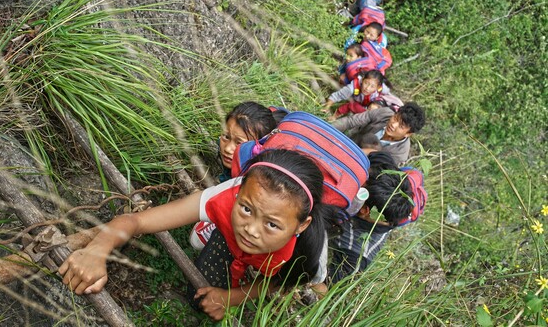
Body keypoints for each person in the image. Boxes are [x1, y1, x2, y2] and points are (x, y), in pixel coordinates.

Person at [58, 149, 337, 321]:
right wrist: (97, 249)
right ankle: (223, 237)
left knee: (311, 281)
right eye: (247, 209)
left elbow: (279, 283)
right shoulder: (223, 198)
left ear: (301, 226)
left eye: (272, 224)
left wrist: (233, 297)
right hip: (231, 237)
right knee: (199, 298)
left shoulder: (306, 253)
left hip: (280, 265)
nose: (251, 229)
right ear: (238, 191)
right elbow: (136, 221)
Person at [190, 102, 279, 250]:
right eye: (226, 137)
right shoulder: (246, 163)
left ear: (259, 148)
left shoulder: (260, 182)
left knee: (197, 240)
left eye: (239, 143)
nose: (228, 148)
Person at [328, 151, 415, 282]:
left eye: (359, 188)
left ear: (364, 209)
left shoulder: (356, 255)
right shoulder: (384, 176)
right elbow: (375, 154)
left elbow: (326, 287)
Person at [332, 102, 425, 166]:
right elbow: (350, 121)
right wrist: (327, 128)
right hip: (346, 142)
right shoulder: (384, 113)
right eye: (396, 118)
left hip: (355, 164)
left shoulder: (400, 155)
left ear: (408, 134)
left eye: (401, 126)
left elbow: (375, 169)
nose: (393, 125)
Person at [322, 70, 391, 118]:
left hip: (369, 104)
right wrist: (327, 107)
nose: (367, 88)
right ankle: (336, 115)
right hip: (357, 102)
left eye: (372, 86)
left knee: (374, 109)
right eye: (366, 83)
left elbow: (387, 93)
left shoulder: (382, 89)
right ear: (363, 79)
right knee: (353, 106)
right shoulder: (352, 87)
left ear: (378, 87)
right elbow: (337, 96)